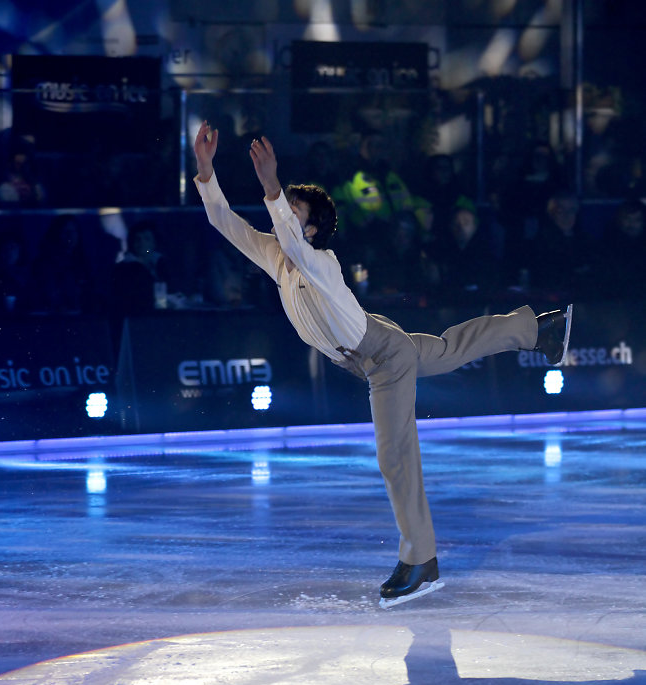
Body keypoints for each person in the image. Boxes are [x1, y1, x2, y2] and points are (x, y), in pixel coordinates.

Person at [193, 121, 571, 608]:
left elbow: (286, 235)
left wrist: (271, 187)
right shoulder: (277, 257)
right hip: (376, 341)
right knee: (451, 348)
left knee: (394, 456)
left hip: (382, 356)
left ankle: (422, 561)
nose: (280, 217)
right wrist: (206, 171)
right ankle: (538, 331)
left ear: (309, 229)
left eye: (292, 212)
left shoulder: (319, 261)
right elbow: (226, 221)